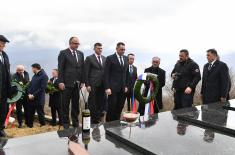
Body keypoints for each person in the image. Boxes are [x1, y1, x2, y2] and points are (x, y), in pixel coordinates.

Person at [58, 37, 85, 129]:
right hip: (66, 83)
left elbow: (82, 68)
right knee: (65, 105)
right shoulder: (63, 53)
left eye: (78, 43)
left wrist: (82, 81)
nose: (77, 45)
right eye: (75, 43)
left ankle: (75, 123)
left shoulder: (81, 54)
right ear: (70, 43)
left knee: (75, 105)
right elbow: (60, 68)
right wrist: (61, 81)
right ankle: (65, 124)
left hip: (77, 84)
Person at [104, 42, 129, 122]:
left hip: (122, 88)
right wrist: (107, 87)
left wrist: (126, 86)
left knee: (119, 107)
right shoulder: (110, 58)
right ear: (117, 49)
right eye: (121, 49)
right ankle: (108, 126)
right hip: (112, 88)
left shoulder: (126, 58)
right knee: (111, 107)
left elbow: (126, 73)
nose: (123, 51)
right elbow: (106, 74)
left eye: (124, 50)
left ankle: (116, 124)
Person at [85, 43, 106, 124]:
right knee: (93, 102)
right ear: (94, 49)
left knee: (101, 101)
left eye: (101, 48)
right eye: (98, 48)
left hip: (102, 84)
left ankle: (98, 118)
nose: (100, 50)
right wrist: (87, 84)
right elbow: (86, 72)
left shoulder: (104, 58)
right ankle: (93, 120)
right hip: (93, 84)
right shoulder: (89, 58)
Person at [27, 63, 48, 128]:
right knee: (30, 112)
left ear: (35, 68)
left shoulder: (44, 76)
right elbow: (30, 85)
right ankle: (30, 125)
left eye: (32, 68)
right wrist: (29, 93)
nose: (32, 70)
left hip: (39, 99)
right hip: (31, 98)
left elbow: (42, 88)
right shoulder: (34, 76)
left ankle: (43, 125)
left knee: (40, 113)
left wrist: (33, 95)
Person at [0, 35, 11, 137]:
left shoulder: (5, 55)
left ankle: (1, 128)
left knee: (3, 109)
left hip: (4, 89)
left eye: (4, 44)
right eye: (2, 43)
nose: (3, 45)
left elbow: (7, 72)